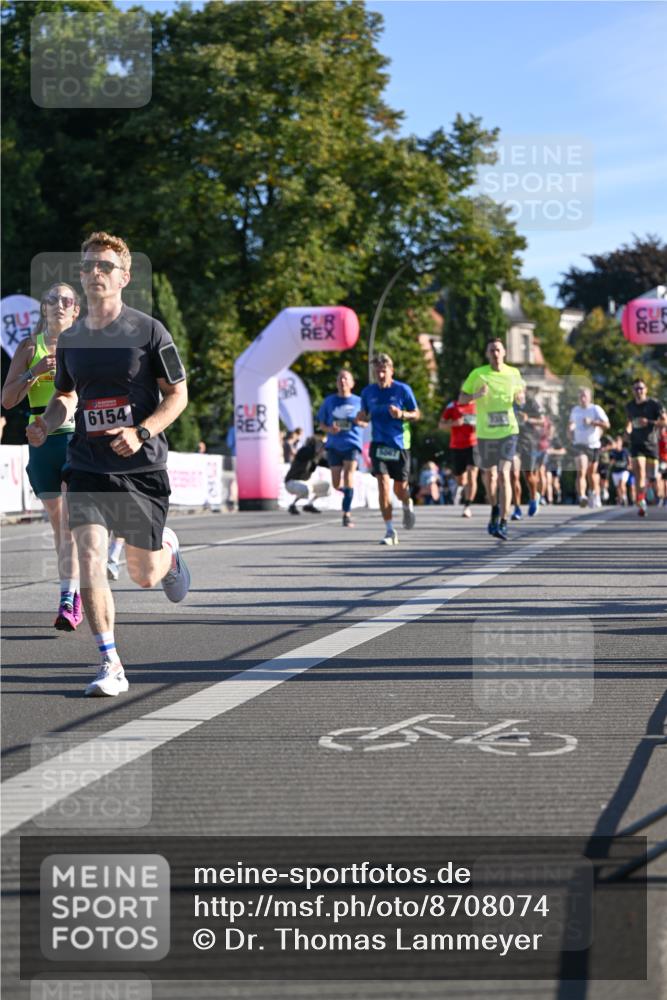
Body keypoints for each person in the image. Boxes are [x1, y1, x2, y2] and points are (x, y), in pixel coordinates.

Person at [26, 231, 191, 697]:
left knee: (144, 574)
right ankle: (110, 663)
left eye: (104, 266)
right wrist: (45, 422)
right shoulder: (72, 339)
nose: (94, 273)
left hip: (140, 467)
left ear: (124, 276)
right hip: (86, 464)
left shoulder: (151, 331)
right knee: (91, 557)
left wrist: (141, 432)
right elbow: (65, 396)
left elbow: (177, 394)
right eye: (87, 266)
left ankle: (170, 553)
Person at [2, 282, 83, 631]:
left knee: (71, 523)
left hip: (77, 439)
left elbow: (84, 397)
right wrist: (33, 373)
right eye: (53, 299)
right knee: (59, 524)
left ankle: (68, 596)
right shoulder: (28, 347)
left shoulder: (84, 348)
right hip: (41, 445)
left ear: (76, 310)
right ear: (44, 309)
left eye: (67, 300)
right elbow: (7, 400)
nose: (60, 305)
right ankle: (74, 591)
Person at [459, 338, 525, 541]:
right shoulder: (478, 373)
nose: (495, 353)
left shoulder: (513, 373)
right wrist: (477, 394)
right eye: (491, 350)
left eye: (498, 349)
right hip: (486, 432)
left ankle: (503, 522)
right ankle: (495, 508)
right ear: (487, 354)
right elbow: (461, 400)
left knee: (504, 474)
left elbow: (521, 396)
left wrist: (520, 399)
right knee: (491, 476)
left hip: (508, 431)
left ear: (504, 352)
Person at [357, 353, 420, 546]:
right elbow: (365, 415)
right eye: (377, 372)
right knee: (383, 484)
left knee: (400, 490)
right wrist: (360, 419)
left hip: (400, 444)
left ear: (391, 371)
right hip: (379, 444)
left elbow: (416, 414)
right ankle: (389, 530)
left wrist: (402, 414)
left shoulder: (402, 390)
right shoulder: (368, 393)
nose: (381, 375)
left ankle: (407, 503)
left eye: (384, 371)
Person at [317, 369, 366, 527]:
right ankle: (348, 494)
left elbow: (366, 422)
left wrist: (360, 423)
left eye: (346, 379)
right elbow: (322, 424)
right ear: (337, 383)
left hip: (352, 443)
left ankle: (346, 513)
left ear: (352, 383)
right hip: (334, 446)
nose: (343, 382)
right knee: (336, 484)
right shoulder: (329, 401)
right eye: (340, 379)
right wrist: (330, 429)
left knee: (349, 476)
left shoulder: (359, 401)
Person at [625, 379, 666, 517]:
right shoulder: (630, 406)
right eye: (636, 389)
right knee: (639, 473)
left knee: (653, 478)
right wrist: (627, 431)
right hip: (636, 444)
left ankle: (654, 491)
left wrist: (648, 422)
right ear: (632, 391)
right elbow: (629, 422)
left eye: (641, 388)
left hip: (652, 444)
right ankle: (641, 502)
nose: (639, 391)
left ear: (646, 389)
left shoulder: (654, 404)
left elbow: (665, 421)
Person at [567, 386, 610, 508]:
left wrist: (592, 422)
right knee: (581, 471)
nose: (582, 398)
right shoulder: (575, 410)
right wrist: (570, 432)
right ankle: (582, 496)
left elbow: (607, 425)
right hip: (579, 445)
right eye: (580, 396)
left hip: (593, 445)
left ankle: (594, 494)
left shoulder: (595, 409)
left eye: (585, 395)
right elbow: (570, 425)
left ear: (590, 397)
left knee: (592, 474)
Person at [439, 398, 478, 517]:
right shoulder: (452, 405)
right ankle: (462, 488)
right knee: (461, 479)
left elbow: (488, 422)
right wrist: (454, 424)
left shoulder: (480, 406)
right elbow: (441, 425)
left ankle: (467, 505)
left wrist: (479, 425)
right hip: (457, 446)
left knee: (472, 475)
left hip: (474, 445)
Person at [510, 387, 543, 520]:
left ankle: (534, 496)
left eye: (518, 391)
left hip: (528, 441)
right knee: (514, 475)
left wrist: (528, 419)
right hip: (512, 441)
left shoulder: (531, 403)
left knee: (529, 476)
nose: (516, 394)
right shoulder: (509, 403)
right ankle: (517, 508)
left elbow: (542, 421)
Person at [284, 431, 331, 513]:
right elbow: (309, 455)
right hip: (292, 481)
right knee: (306, 489)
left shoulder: (317, 456)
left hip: (306, 481)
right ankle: (293, 505)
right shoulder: (305, 450)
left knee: (326, 486)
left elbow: (328, 464)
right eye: (320, 445)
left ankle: (309, 505)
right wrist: (319, 451)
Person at [607, 434, 631, 506]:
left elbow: (629, 459)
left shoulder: (625, 451)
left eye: (619, 441)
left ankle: (624, 497)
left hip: (624, 470)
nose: (617, 442)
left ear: (621, 442)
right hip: (615, 471)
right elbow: (611, 462)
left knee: (622, 483)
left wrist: (630, 465)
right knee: (617, 487)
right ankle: (620, 499)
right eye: (616, 441)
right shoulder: (613, 452)